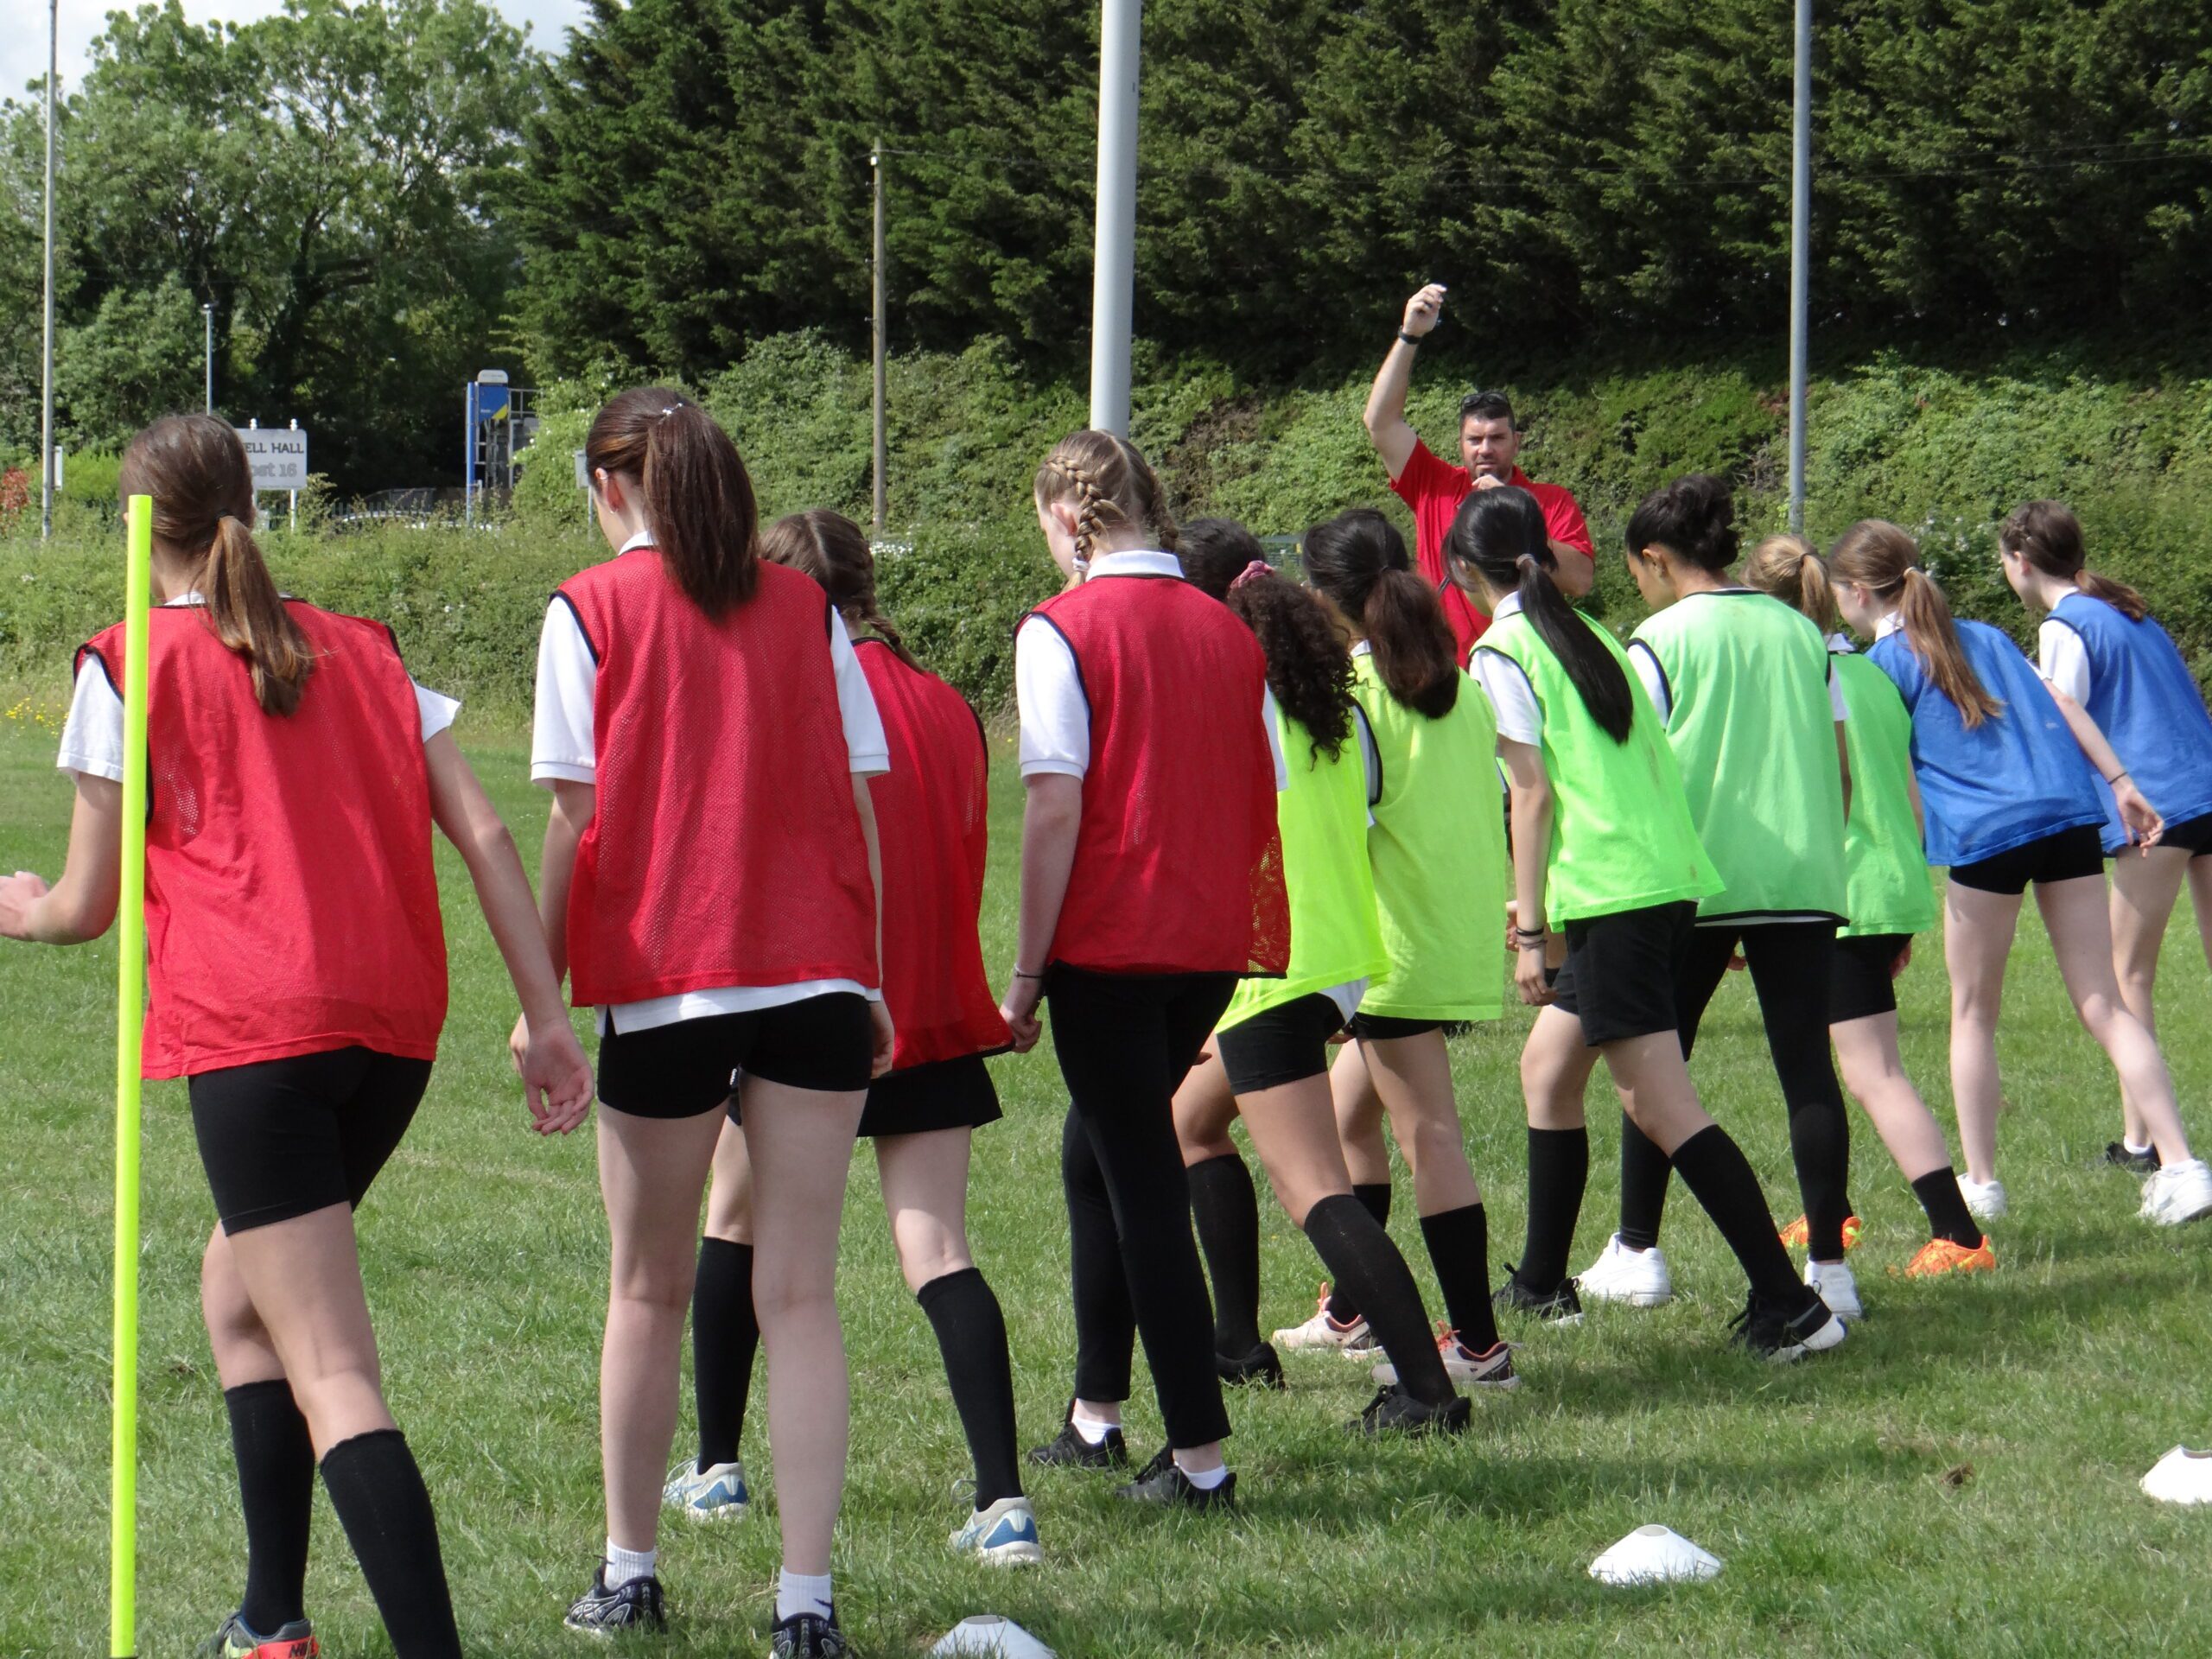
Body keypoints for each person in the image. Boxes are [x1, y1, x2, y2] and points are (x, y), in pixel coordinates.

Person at [0, 414, 594, 1659]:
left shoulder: (128, 661)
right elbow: (488, 838)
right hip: (390, 1036)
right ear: (250, 512)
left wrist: (21, 912)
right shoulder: (368, 651)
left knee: (332, 1370)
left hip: (257, 1035)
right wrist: (545, 1019)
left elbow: (84, 907)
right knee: (236, 1291)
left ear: (134, 526)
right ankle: (273, 1617)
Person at [528, 391, 894, 1656]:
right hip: (818, 978)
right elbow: (858, 806)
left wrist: (540, 1003)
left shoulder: (588, 607)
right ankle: (806, 1603)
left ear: (613, 484)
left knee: (648, 1285)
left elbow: (575, 823)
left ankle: (632, 1573)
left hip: (669, 977)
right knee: (800, 1295)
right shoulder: (810, 609)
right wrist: (876, 976)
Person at [670, 510, 1036, 1566]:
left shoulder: (796, 697)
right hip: (927, 1003)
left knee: (736, 1224)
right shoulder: (947, 706)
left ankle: (717, 1468)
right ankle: (1003, 1500)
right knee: (938, 1249)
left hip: (814, 1003)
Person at [1457, 485, 1847, 1359]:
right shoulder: (1588, 632)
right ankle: (1542, 1283)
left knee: (1662, 1104)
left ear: (1458, 572)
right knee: (1547, 1069)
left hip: (1616, 894)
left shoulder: (1504, 648)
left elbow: (1532, 793)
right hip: (1660, 884)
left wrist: (1528, 930)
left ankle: (1791, 1305)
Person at [1005, 432, 1287, 1510]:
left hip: (1111, 945)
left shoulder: (1063, 628)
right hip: (1205, 939)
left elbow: (1053, 802)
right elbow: (1254, 781)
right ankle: (1096, 1413)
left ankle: (1201, 1459)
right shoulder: (1226, 630)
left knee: (1139, 1182)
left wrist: (1026, 973)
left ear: (1070, 519)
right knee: (1100, 1153)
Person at [1165, 529, 1472, 1437]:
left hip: (1276, 968)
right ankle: (1235, 1345)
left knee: (1312, 1189)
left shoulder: (1239, 705)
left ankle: (1426, 1390)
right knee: (1190, 1124)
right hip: (1334, 960)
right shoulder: (1322, 702)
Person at [1830, 519, 2212, 1228]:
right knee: (2105, 1001)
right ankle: (2184, 1167)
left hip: (1986, 836)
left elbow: (1891, 785)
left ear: (1855, 593)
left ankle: (1980, 1185)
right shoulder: (1989, 634)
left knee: (1973, 1013)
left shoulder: (1880, 668)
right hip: (2069, 815)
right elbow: (2063, 705)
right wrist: (2120, 779)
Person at [1572, 476, 1861, 1318]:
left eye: (1637, 570)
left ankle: (1636, 1249)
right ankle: (1831, 1273)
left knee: (1656, 1070)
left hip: (1690, 882)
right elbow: (1838, 768)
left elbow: (1634, 775)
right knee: (1807, 1067)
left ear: (1655, 559)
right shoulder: (1804, 634)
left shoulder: (1655, 640)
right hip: (1803, 877)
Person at [1278, 508, 1518, 1391]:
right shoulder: (1457, 686)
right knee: (1352, 1125)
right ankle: (1350, 1312)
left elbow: (1342, 828)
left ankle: (1480, 1347)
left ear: (1321, 596)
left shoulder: (1359, 699)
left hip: (1395, 950)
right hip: (1443, 936)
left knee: (1428, 1137)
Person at [1745, 533, 1995, 1278]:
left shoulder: (1795, 678)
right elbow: (1907, 794)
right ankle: (1831, 1211)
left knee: (1869, 1072)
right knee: (1834, 1067)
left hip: (1838, 892)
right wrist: (1901, 901)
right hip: (1883, 885)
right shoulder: (1875, 674)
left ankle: (1959, 1234)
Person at [1999, 500, 2212, 1173]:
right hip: (2204, 788)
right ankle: (2144, 1142)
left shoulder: (2067, 626)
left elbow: (2064, 725)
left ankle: (2144, 1146)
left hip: (2158, 808)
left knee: (2126, 981)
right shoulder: (2131, 611)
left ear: (2021, 563)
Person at [1361, 282, 1594, 661]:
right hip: (1445, 673)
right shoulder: (1434, 485)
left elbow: (1581, 581)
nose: (1485, 449)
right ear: (1460, 444)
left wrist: (1509, 517)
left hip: (1526, 666)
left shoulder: (1550, 500)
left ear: (1516, 442)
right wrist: (1409, 336)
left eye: (1497, 438)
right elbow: (1379, 423)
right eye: (1475, 439)